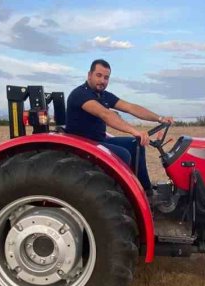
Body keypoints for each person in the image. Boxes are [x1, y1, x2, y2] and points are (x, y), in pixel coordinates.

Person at [65, 58, 173, 192]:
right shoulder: (80, 94)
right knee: (123, 155)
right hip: (83, 144)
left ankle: (146, 191)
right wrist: (134, 131)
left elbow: (130, 107)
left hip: (98, 140)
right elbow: (106, 114)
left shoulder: (103, 95)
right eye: (98, 75)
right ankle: (124, 196)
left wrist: (160, 118)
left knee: (136, 144)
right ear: (89, 75)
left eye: (106, 77)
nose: (102, 81)